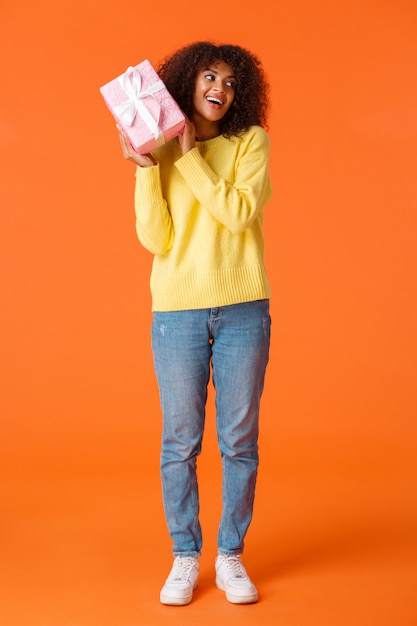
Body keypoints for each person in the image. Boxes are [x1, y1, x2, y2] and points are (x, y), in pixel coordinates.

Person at [117, 41, 272, 606]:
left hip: (243, 310)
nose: (221, 89)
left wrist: (187, 157)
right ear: (187, 81)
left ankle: (229, 554)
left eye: (232, 82)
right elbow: (155, 239)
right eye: (211, 76)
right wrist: (144, 168)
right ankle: (186, 555)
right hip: (176, 311)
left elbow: (236, 213)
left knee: (239, 441)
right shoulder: (159, 152)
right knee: (180, 442)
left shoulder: (250, 143)